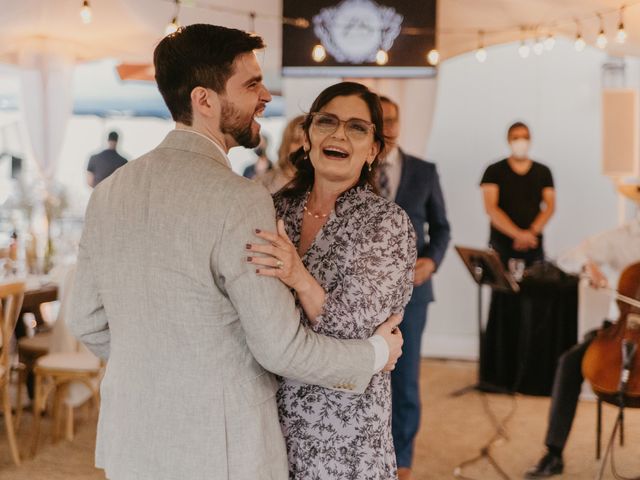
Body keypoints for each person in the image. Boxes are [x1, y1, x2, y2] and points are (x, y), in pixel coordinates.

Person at [68, 25, 403, 480]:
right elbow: (280, 349)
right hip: (222, 451)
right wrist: (374, 355)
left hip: (133, 441)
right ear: (205, 100)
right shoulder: (241, 200)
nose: (265, 96)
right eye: (250, 85)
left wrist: (163, 364)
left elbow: (85, 319)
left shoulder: (108, 192)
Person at [247, 82, 417, 479]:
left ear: (374, 150)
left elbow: (355, 331)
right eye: (327, 122)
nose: (339, 134)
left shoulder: (386, 224)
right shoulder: (274, 209)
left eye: (358, 128)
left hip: (344, 428)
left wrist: (297, 276)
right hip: (268, 417)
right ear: (307, 136)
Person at [524, 184, 640, 478]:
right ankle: (553, 453)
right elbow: (568, 257)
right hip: (620, 329)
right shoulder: (623, 237)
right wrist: (586, 265)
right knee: (568, 363)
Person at [376, 95, 451, 480]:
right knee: (371, 374)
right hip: (366, 296)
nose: (387, 127)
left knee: (406, 380)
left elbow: (442, 227)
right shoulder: (357, 169)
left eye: (393, 119)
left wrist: (432, 261)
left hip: (414, 293)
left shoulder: (424, 170)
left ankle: (402, 461)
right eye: (381, 119)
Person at [480, 122, 555, 267]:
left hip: (533, 247)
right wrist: (518, 235)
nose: (521, 141)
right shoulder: (493, 171)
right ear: (509, 140)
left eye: (525, 137)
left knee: (535, 288)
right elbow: (491, 208)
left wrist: (530, 233)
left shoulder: (543, 172)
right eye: (516, 137)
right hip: (501, 246)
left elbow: (550, 206)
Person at [255, 114, 304, 193]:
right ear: (287, 144)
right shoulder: (264, 182)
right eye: (297, 141)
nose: (303, 147)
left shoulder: (316, 185)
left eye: (309, 143)